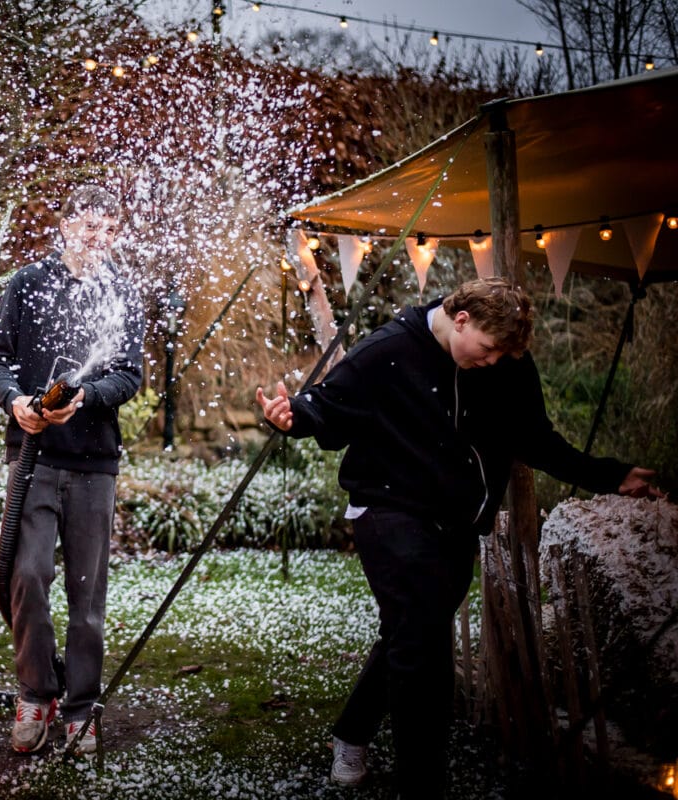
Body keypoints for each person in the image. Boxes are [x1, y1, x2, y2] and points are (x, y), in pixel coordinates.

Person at [256, 277, 660, 798]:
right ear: (461, 319)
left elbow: (537, 440)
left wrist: (611, 474)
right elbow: (327, 406)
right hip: (388, 508)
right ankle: (423, 785)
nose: (492, 362)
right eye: (487, 349)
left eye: (502, 355)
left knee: (411, 633)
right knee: (423, 645)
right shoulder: (388, 349)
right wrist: (291, 417)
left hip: (455, 523)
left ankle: (352, 732)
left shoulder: (507, 362)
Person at [0, 185, 144, 755]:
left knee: (86, 592)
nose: (99, 238)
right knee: (26, 575)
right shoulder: (27, 283)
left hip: (94, 463)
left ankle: (80, 708)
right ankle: (36, 692)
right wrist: (16, 402)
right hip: (34, 459)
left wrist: (86, 397)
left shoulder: (121, 291)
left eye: (109, 229)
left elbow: (128, 375)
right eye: (90, 225)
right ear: (67, 226)